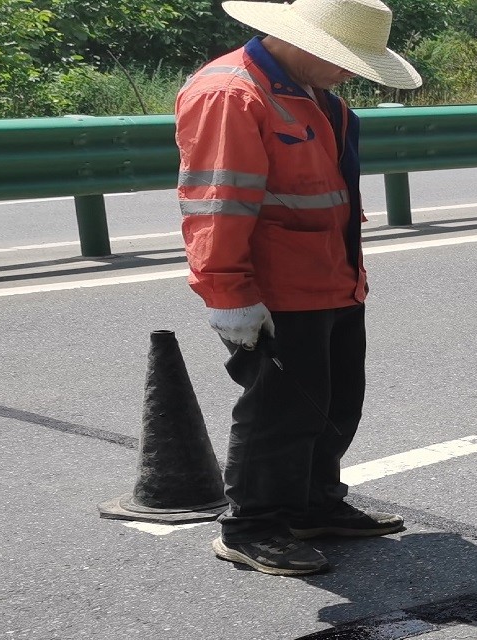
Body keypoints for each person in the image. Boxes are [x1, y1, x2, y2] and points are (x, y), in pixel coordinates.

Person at [175, 0, 422, 576]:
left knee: (334, 404)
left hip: (333, 278)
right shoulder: (232, 94)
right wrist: (228, 294)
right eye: (346, 60)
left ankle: (312, 504)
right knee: (280, 412)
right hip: (277, 289)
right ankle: (253, 526)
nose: (353, 73)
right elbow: (217, 202)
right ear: (306, 44)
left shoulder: (313, 95)